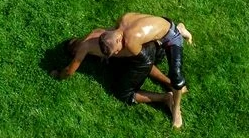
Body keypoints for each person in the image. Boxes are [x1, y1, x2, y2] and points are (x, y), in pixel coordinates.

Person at [52, 12, 191, 129]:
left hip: (170, 38)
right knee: (141, 59)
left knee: (174, 79)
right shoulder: (111, 26)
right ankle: (178, 29)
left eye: (116, 51)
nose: (116, 52)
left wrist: (58, 74)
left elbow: (69, 71)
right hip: (162, 23)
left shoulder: (129, 42)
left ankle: (174, 105)